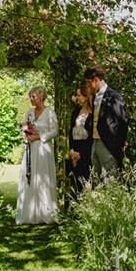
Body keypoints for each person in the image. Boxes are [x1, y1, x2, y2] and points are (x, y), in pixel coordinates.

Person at [16, 87, 59, 225]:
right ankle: (29, 213)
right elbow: (25, 126)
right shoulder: (29, 112)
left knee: (42, 177)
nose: (31, 99)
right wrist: (27, 132)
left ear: (41, 97)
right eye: (30, 96)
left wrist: (39, 136)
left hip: (43, 149)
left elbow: (54, 131)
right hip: (31, 148)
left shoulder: (50, 112)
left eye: (33, 96)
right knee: (29, 176)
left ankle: (45, 213)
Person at [84, 66, 128, 177]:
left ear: (96, 80)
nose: (88, 86)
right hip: (94, 142)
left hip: (108, 144)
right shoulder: (95, 97)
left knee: (110, 179)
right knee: (95, 178)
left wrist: (119, 143)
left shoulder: (114, 96)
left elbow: (122, 121)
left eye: (89, 82)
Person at [67, 84, 93, 200]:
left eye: (79, 95)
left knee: (86, 181)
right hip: (75, 149)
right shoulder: (75, 112)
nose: (77, 98)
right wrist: (72, 150)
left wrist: (81, 153)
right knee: (75, 182)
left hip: (87, 151)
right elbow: (71, 132)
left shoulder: (93, 113)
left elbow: (92, 135)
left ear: (86, 96)